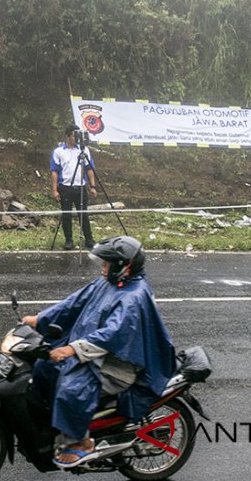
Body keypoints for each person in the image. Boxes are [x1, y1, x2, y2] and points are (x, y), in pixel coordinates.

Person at [21, 236, 175, 469]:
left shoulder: (133, 296)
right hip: (95, 352)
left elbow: (113, 335)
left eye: (106, 264)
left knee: (71, 389)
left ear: (124, 266)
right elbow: (74, 303)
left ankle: (81, 443)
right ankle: (57, 423)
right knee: (43, 367)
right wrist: (41, 319)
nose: (102, 268)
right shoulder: (110, 282)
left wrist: (71, 349)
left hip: (117, 363)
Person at [51, 124, 98, 250]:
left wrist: (92, 186)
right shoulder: (59, 151)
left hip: (80, 186)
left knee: (83, 214)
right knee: (66, 215)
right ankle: (69, 240)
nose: (76, 138)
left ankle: (89, 239)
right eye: (74, 135)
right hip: (65, 187)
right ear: (67, 136)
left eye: (78, 135)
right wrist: (54, 190)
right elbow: (54, 171)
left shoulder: (84, 150)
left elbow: (89, 168)